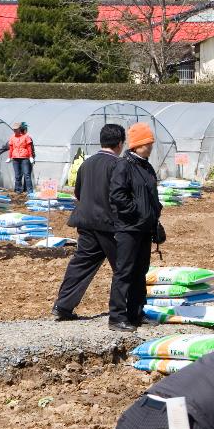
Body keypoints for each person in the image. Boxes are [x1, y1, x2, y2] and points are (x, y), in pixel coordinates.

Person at [52, 124, 127, 322]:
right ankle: (126, 309)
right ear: (120, 143)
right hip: (109, 224)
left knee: (81, 264)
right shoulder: (118, 165)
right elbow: (120, 196)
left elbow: (78, 192)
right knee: (124, 266)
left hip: (86, 222)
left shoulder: (86, 164)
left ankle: (63, 305)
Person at [108, 122, 163, 332]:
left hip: (144, 228)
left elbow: (150, 196)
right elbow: (117, 195)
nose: (150, 147)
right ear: (136, 145)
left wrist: (155, 213)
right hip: (128, 228)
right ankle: (117, 316)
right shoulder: (124, 165)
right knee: (124, 271)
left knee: (141, 271)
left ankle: (137, 312)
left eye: (150, 143)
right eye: (146, 143)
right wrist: (136, 213)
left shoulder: (146, 166)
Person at [0, 122, 35, 195]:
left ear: (20, 129)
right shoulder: (12, 137)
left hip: (25, 158)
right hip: (15, 158)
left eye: (16, 129)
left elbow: (29, 147)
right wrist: (9, 157)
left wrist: (31, 157)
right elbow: (10, 147)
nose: (14, 131)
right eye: (14, 129)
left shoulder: (26, 137)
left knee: (27, 175)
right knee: (17, 176)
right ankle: (18, 191)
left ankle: (30, 191)